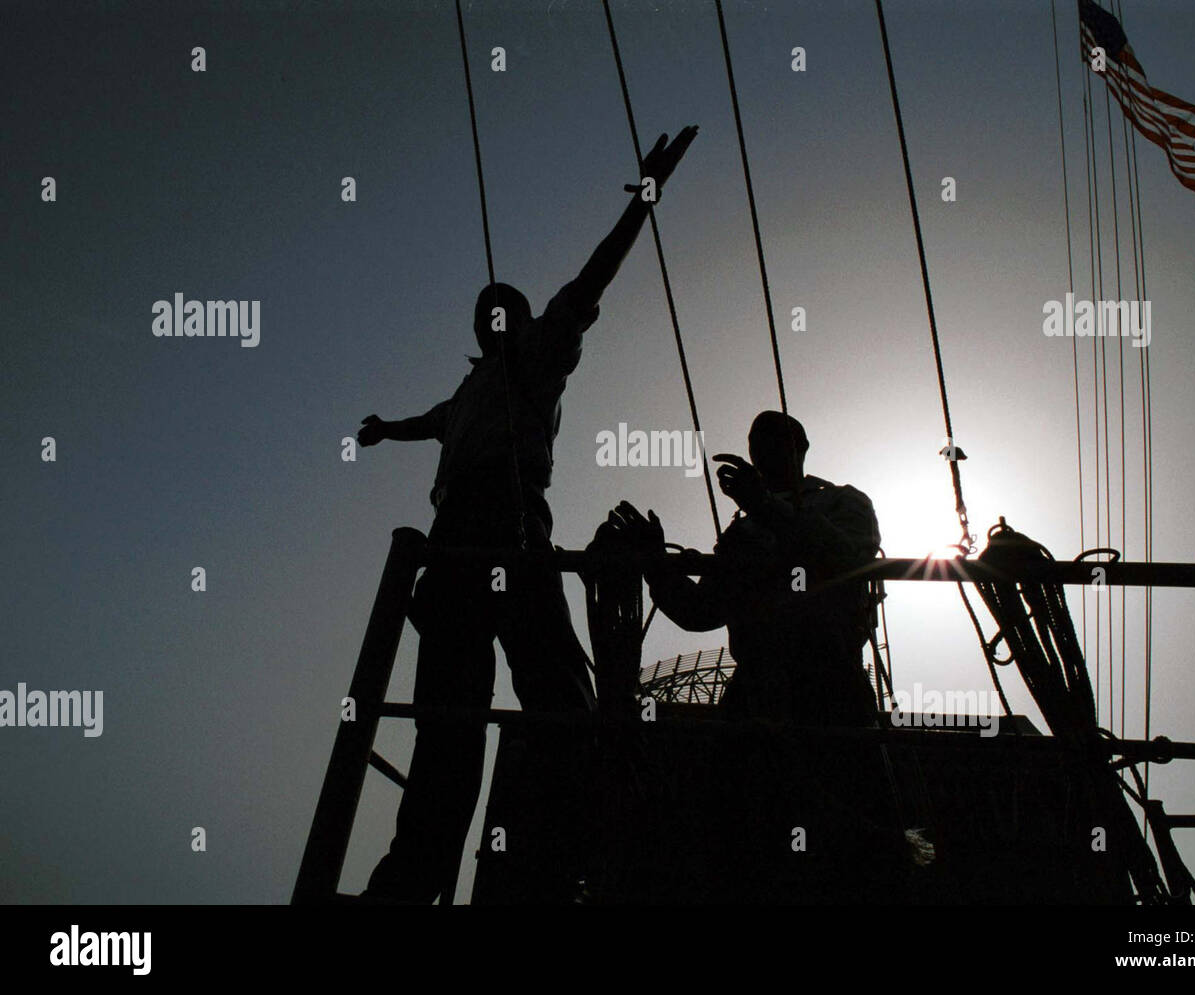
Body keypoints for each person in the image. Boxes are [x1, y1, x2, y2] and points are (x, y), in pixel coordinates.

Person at [357, 126, 699, 904]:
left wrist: (645, 195)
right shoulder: (469, 392)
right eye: (488, 312)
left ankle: (596, 845)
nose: (497, 317)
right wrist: (385, 431)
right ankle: (412, 878)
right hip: (453, 541)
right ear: (478, 330)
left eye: (506, 308)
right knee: (447, 716)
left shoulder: (541, 354)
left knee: (553, 690)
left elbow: (595, 274)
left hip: (513, 523)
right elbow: (430, 421)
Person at [611, 410, 882, 724]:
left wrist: (764, 505)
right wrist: (656, 563)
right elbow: (700, 611)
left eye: (774, 437)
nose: (763, 448)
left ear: (801, 445)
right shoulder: (741, 531)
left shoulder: (842, 501)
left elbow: (846, 558)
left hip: (831, 684)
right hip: (755, 692)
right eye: (757, 441)